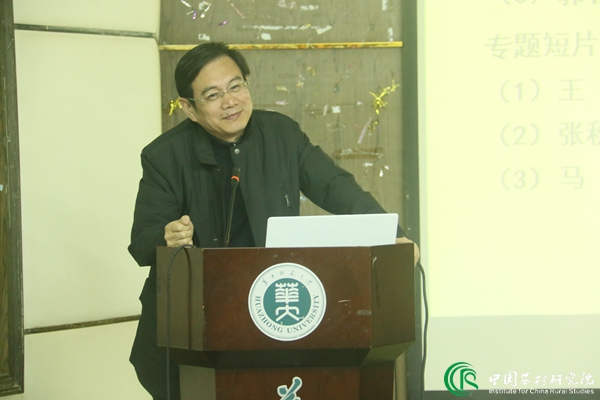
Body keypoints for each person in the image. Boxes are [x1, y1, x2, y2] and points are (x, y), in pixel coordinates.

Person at [127, 42, 418, 400]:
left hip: (273, 318)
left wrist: (392, 236)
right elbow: (141, 242)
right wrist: (167, 236)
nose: (230, 101)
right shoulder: (164, 156)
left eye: (236, 86)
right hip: (192, 332)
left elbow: (336, 188)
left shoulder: (282, 134)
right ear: (189, 108)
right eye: (213, 95)